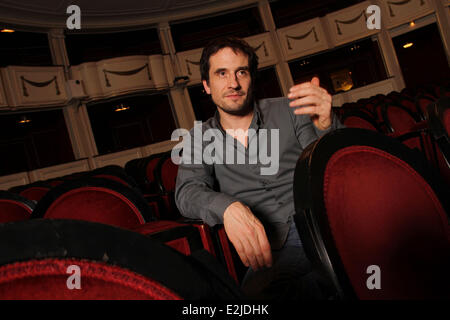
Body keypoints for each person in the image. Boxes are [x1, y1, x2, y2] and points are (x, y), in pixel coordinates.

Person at [175, 37, 344, 299]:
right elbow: (186, 192)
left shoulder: (290, 110)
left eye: (241, 72)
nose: (233, 83)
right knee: (257, 295)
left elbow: (331, 165)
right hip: (272, 248)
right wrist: (227, 207)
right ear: (207, 85)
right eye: (222, 74)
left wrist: (325, 124)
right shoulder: (200, 138)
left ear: (251, 78)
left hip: (323, 223)